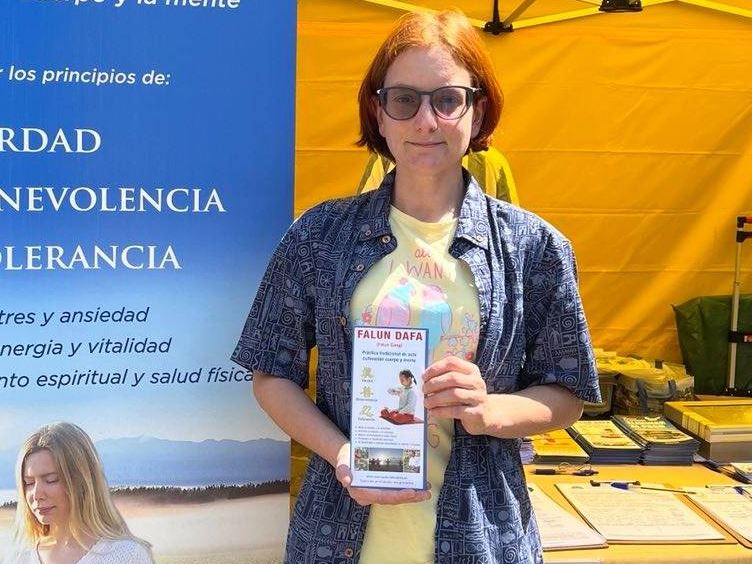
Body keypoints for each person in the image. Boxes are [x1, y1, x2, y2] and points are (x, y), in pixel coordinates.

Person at [232, 9, 600, 564]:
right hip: (339, 536)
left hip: (483, 535)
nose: (426, 120)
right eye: (404, 100)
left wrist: (490, 410)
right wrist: (341, 454)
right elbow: (270, 373)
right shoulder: (320, 234)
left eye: (448, 100)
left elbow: (567, 393)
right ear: (378, 114)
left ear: (478, 111)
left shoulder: (533, 246)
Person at [3, 422, 153, 564]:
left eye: (51, 480)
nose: (36, 495)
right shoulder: (18, 558)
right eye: (29, 483)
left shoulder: (127, 555)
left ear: (82, 481)